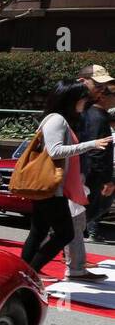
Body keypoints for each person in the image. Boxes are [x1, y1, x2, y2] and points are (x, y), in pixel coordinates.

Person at [20, 82, 112, 275]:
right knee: (64, 233)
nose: (86, 102)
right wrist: (91, 144)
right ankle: (30, 272)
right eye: (83, 98)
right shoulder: (57, 120)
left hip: (50, 187)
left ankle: (22, 272)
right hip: (52, 187)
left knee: (39, 232)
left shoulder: (57, 119)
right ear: (72, 100)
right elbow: (55, 151)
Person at [76, 65, 115, 243]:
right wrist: (104, 179)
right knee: (77, 220)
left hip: (88, 174)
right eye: (98, 85)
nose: (100, 90)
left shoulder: (93, 113)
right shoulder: (94, 116)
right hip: (88, 176)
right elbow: (95, 151)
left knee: (78, 221)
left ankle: (74, 260)